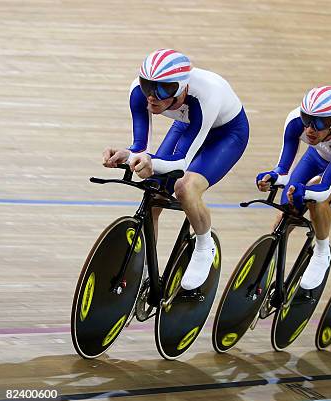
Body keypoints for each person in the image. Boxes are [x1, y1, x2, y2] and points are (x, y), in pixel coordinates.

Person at [102, 49, 249, 290]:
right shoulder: (139, 94)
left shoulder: (206, 96)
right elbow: (141, 147)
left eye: (163, 89)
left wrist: (150, 163)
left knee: (185, 187)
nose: (152, 96)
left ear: (183, 88)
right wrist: (127, 155)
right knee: (155, 193)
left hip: (227, 135)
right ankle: (146, 274)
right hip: (187, 123)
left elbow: (181, 164)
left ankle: (204, 244)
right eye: (148, 86)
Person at [256, 86, 331, 289]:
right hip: (317, 156)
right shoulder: (294, 122)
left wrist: (308, 191)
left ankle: (322, 251)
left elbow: (326, 187)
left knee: (317, 200)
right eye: (307, 118)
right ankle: (266, 263)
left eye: (320, 122)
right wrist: (274, 177)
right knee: (288, 208)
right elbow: (283, 170)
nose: (310, 128)